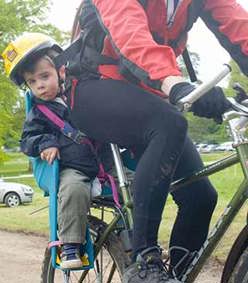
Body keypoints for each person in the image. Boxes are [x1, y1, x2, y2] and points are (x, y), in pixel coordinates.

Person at [52, 0, 248, 282]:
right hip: (93, 88)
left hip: (149, 94)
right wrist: (174, 82)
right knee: (169, 122)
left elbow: (240, 29)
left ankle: (177, 277)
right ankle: (144, 261)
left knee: (201, 198)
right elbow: (130, 33)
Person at [1, 33, 100, 270]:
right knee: (73, 189)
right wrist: (46, 143)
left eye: (44, 76)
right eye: (33, 82)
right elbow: (28, 139)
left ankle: (136, 243)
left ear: (61, 71)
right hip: (71, 167)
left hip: (101, 164)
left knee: (137, 183)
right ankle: (70, 245)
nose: (40, 85)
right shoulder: (39, 112)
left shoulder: (78, 96)